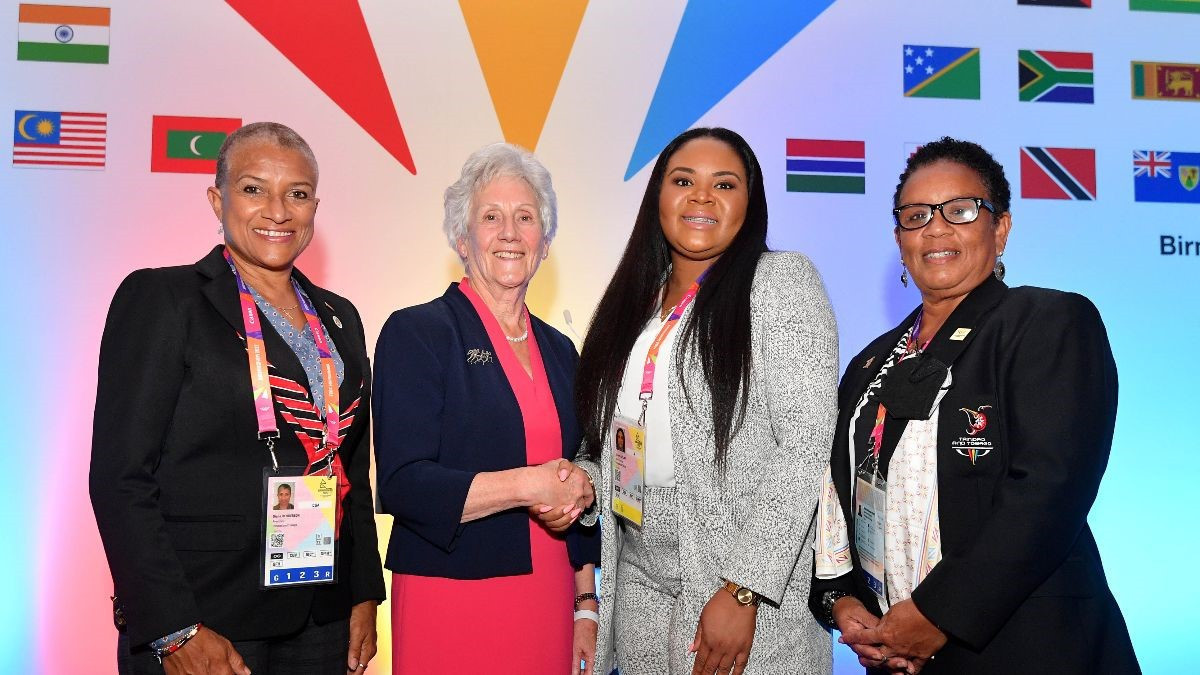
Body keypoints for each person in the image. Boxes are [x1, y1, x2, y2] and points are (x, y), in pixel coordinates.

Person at [809, 137, 1140, 674]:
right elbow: (839, 496)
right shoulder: (871, 364)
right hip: (898, 654)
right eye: (916, 216)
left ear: (1001, 228)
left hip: (1026, 650)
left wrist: (935, 615)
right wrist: (847, 605)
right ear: (899, 238)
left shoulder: (1047, 322)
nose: (936, 228)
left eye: (960, 211)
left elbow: (1047, 492)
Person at [90, 122, 385, 675]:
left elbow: (352, 468)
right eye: (254, 189)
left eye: (296, 194)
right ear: (216, 199)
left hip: (321, 614)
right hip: (206, 618)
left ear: (314, 208)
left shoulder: (341, 318)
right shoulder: (162, 299)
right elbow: (120, 479)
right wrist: (173, 629)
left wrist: (362, 593)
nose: (278, 210)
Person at [573, 127, 839, 674]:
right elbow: (616, 440)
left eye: (725, 183)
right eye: (683, 180)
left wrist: (744, 589)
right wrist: (581, 482)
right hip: (640, 586)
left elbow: (805, 445)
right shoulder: (633, 301)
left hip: (739, 589)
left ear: (750, 202)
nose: (701, 196)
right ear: (658, 197)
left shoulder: (780, 283)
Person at [373, 143, 600, 675]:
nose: (509, 233)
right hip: (451, 594)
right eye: (491, 217)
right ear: (461, 238)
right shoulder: (418, 333)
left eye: (525, 218)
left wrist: (586, 604)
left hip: (549, 595)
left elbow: (581, 470)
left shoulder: (562, 350)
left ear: (544, 244)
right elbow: (404, 483)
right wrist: (527, 485)